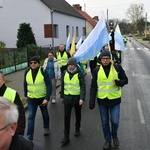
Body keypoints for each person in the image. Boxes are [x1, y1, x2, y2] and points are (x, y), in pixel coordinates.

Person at [89, 50, 128, 150]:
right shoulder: (96, 70)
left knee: (115, 122)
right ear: (101, 60)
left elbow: (125, 80)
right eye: (103, 58)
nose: (105, 60)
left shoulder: (117, 68)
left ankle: (114, 135)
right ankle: (108, 140)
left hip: (114, 99)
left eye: (107, 58)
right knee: (104, 122)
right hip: (102, 101)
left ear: (110, 59)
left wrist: (119, 82)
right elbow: (93, 87)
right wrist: (91, 102)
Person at [24, 56, 52, 141]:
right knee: (31, 116)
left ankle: (46, 128)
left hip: (42, 98)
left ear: (38, 63)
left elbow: (49, 85)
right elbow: (25, 83)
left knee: (45, 114)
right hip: (31, 98)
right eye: (31, 63)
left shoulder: (43, 71)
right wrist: (26, 94)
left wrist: (47, 98)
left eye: (35, 63)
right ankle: (30, 135)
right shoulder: (27, 71)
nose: (32, 64)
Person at [60, 57, 86, 145]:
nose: (71, 67)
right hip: (67, 98)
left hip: (77, 98)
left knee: (77, 114)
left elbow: (83, 86)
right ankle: (66, 136)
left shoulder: (79, 73)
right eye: (69, 65)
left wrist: (82, 98)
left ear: (75, 65)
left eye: (72, 65)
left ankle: (77, 127)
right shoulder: (64, 73)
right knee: (66, 116)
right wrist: (62, 96)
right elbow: (63, 85)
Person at [0, 70, 25, 135]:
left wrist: (19, 134)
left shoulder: (13, 94)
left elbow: (20, 115)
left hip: (10, 134)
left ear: (4, 79)